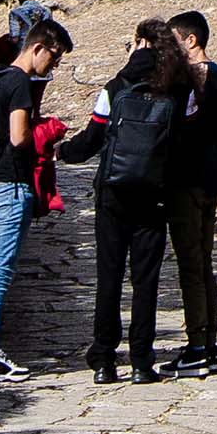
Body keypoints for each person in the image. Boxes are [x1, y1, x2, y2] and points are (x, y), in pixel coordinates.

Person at [57, 19, 177, 383]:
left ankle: (105, 360)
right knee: (146, 280)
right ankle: (142, 362)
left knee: (109, 276)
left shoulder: (114, 88)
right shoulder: (175, 88)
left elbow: (92, 139)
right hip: (154, 197)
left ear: (139, 43)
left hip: (113, 194)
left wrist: (62, 152)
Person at [0, 14, 74, 381]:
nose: (52, 68)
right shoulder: (20, 84)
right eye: (53, 59)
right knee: (0, 269)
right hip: (11, 185)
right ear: (37, 48)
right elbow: (18, 137)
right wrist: (46, 132)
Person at [157, 9, 217, 376]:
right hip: (211, 183)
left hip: (187, 182)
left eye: (174, 41)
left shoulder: (198, 79)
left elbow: (187, 129)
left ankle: (197, 346)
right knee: (204, 261)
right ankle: (207, 342)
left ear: (191, 40)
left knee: (190, 264)